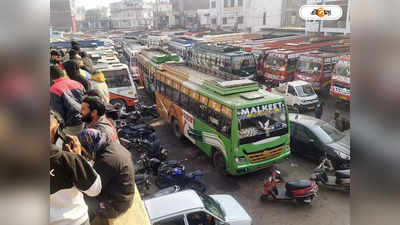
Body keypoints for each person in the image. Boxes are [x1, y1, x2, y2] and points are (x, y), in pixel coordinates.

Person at [50, 115, 102, 225]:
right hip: (74, 221)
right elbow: (94, 189)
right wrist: (79, 158)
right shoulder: (67, 159)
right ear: (55, 129)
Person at [77, 129, 135, 221]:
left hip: (116, 205)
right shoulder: (110, 145)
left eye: (84, 151)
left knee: (82, 201)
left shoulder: (107, 161)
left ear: (89, 147)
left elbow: (90, 187)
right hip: (123, 193)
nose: (85, 155)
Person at [50, 65, 85, 136]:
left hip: (70, 126)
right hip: (84, 121)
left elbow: (58, 113)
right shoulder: (78, 83)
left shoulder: (54, 89)